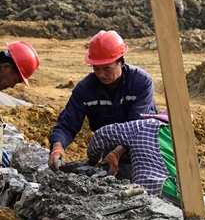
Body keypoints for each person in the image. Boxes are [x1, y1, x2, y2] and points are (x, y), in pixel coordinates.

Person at [47, 30, 157, 176]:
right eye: (96, 68)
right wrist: (57, 147)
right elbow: (67, 123)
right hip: (110, 150)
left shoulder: (141, 82)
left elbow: (135, 128)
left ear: (121, 62)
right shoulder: (85, 88)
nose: (101, 74)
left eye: (107, 68)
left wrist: (117, 154)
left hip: (145, 147)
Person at [87, 113, 177, 198]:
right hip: (184, 199)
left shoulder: (146, 125)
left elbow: (101, 135)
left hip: (153, 191)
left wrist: (92, 160)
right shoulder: (188, 138)